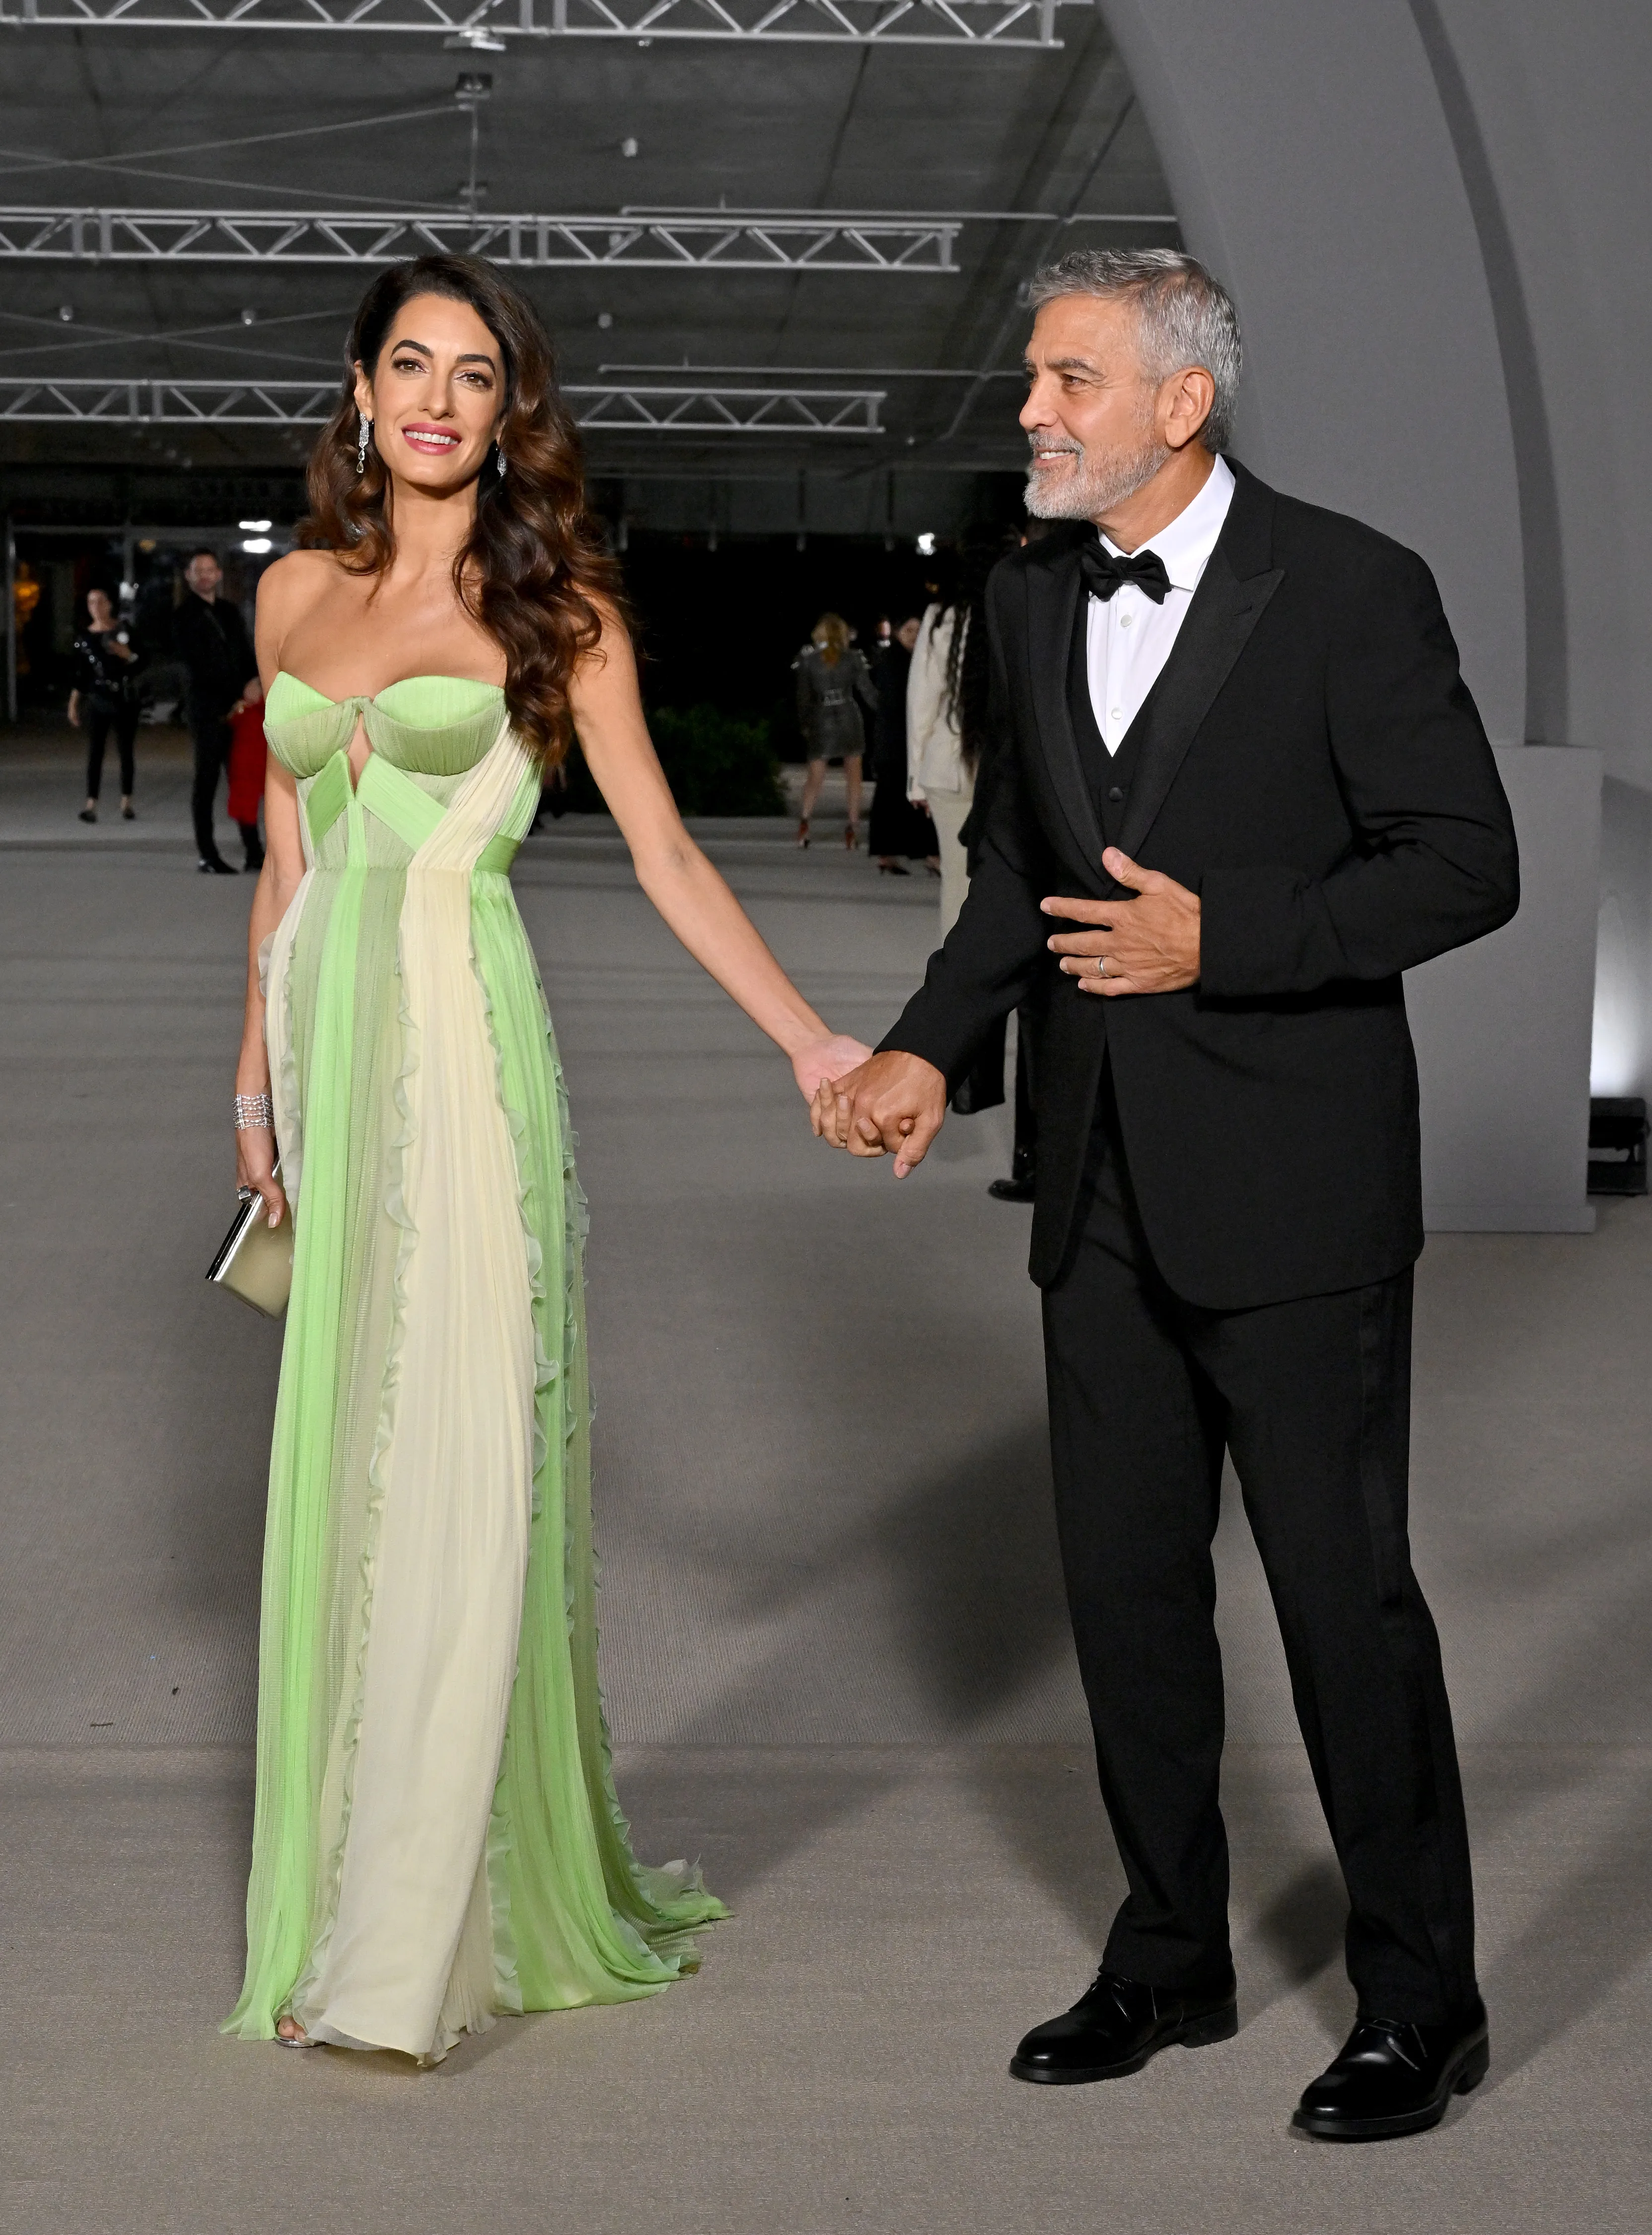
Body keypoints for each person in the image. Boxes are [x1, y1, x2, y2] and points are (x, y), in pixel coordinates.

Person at [813, 246, 1518, 2142]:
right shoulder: (1029, 590)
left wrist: (1237, 939)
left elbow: (1466, 864)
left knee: (1336, 1602)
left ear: (1176, 403)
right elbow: (1014, 884)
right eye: (1033, 379)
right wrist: (920, 1051)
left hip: (1296, 1198)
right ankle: (1165, 1952)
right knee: (1124, 1599)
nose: (1029, 411)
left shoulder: (1351, 588)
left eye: (1066, 380)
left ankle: (1417, 2000)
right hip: (1097, 1193)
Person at [225, 253, 870, 2063]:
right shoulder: (289, 595)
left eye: (476, 375)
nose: (438, 398)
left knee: (457, 1459)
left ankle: (414, 1935)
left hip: (459, 1055)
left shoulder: (559, 608)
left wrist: (811, 1037)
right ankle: (347, 1880)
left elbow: (666, 857)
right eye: (409, 365)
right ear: (359, 391)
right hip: (331, 1061)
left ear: (513, 415)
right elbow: (286, 863)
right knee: (350, 1467)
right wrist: (253, 1092)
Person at [174, 548, 260, 874]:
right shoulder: (183, 617)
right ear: (189, 576)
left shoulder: (229, 611)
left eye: (211, 569)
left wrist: (255, 682)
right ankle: (207, 854)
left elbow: (245, 652)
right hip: (208, 710)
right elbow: (199, 666)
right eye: (199, 571)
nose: (206, 575)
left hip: (241, 710)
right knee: (207, 780)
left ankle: (254, 851)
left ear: (219, 574)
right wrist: (238, 693)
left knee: (243, 778)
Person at [793, 612, 876, 849]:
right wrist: (888, 711)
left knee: (815, 776)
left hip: (821, 717)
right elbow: (867, 692)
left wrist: (805, 725)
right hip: (849, 715)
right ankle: (852, 828)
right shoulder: (853, 659)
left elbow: (803, 699)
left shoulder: (808, 660)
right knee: (854, 777)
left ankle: (805, 823)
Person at [867, 613, 934, 875]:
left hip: (904, 740)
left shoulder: (918, 659)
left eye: (919, 631)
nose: (914, 637)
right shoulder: (892, 660)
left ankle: (899, 854)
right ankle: (891, 855)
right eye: (909, 631)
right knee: (891, 797)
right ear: (897, 632)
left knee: (902, 799)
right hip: (896, 742)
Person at [68, 585, 139, 823]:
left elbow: (142, 661)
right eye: (91, 602)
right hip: (98, 699)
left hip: (124, 698)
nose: (95, 607)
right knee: (95, 752)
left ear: (109, 604)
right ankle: (91, 804)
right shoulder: (85, 638)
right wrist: (73, 704)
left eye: (100, 601)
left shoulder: (123, 630)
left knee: (125, 750)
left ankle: (127, 800)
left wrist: (127, 655)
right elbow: (81, 676)